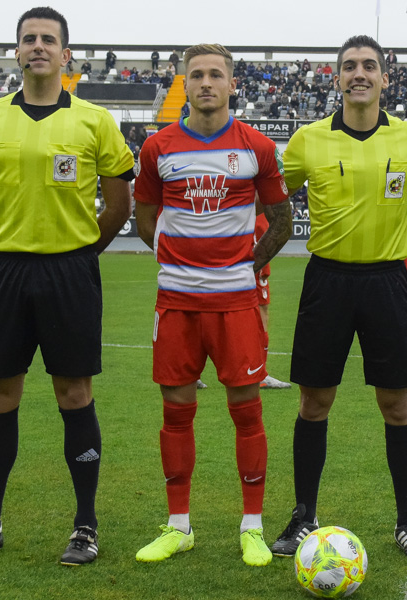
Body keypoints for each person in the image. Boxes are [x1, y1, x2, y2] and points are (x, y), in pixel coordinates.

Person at [0, 6, 136, 567]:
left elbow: (119, 202)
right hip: (5, 270)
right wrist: (9, 239)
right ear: (16, 51)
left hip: (69, 273)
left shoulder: (95, 120)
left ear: (66, 53)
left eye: (48, 39)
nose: (38, 47)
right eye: (28, 39)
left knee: (74, 394)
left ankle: (85, 526)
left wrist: (79, 253)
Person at [269, 34, 407, 562]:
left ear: (385, 78)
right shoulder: (307, 140)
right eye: (350, 66)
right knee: (314, 402)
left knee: (397, 404)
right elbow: (271, 191)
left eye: (370, 66)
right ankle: (304, 514)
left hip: (388, 281)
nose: (359, 74)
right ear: (337, 77)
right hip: (327, 282)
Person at [132, 43, 292, 567]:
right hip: (176, 304)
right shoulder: (158, 148)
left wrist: (246, 266)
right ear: (185, 83)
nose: (205, 83)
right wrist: (173, 259)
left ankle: (253, 526)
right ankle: (178, 526)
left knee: (246, 413)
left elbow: (282, 220)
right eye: (196, 74)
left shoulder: (257, 148)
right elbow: (144, 217)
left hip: (236, 305)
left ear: (231, 84)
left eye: (215, 75)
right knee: (176, 413)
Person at [254, 211, 294, 390]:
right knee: (260, 312)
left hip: (248, 236)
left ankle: (190, 372)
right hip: (253, 246)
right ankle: (259, 373)